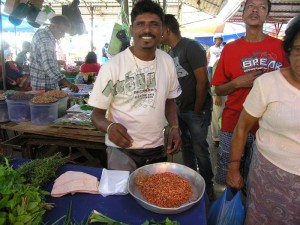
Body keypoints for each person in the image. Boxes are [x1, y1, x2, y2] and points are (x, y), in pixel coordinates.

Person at [88, 0, 182, 172]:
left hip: (157, 148)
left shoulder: (167, 61)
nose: (147, 30)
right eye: (140, 24)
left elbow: (170, 101)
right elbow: (96, 115)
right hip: (121, 151)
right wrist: (109, 127)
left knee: (154, 196)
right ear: (132, 29)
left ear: (162, 30)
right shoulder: (112, 66)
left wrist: (175, 127)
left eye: (154, 25)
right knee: (121, 197)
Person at [227, 15, 300, 224]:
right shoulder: (268, 84)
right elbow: (241, 128)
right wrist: (233, 168)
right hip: (269, 176)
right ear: (288, 50)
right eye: (298, 49)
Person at [211, 0, 289, 186]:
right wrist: (238, 83)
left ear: (267, 15)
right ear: (243, 12)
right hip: (233, 122)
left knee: (258, 180)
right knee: (228, 176)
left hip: (268, 126)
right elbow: (218, 88)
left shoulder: (281, 49)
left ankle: (251, 213)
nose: (255, 10)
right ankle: (228, 212)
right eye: (251, 6)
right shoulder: (229, 49)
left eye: (262, 7)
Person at [161, 14, 215, 201]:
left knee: (200, 149)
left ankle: (208, 189)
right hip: (180, 109)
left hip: (196, 110)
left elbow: (202, 81)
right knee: (187, 148)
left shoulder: (190, 46)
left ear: (166, 30)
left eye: (158, 29)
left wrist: (197, 109)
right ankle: (192, 183)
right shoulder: (170, 53)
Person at [30, 15, 78, 92]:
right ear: (53, 26)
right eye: (61, 31)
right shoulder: (45, 39)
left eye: (64, 33)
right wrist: (69, 84)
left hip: (41, 84)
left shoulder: (41, 33)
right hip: (44, 86)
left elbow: (41, 60)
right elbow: (49, 67)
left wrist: (56, 61)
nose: (63, 35)